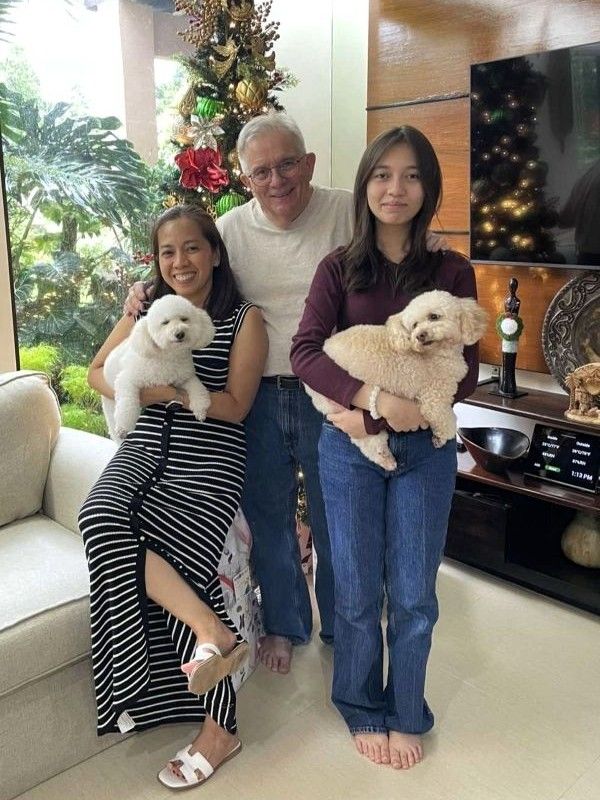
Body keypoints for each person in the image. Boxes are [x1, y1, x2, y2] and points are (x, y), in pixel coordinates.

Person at [125, 112, 444, 675]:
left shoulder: (351, 210)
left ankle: (347, 628)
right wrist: (140, 294)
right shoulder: (232, 230)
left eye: (287, 164)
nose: (276, 180)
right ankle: (286, 624)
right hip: (257, 392)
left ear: (309, 163)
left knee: (336, 519)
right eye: (261, 172)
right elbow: (186, 270)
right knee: (269, 514)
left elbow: (408, 253)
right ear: (245, 179)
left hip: (335, 391)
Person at [290, 126, 480, 770]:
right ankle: (359, 704)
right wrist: (370, 404)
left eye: (411, 176)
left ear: (429, 188)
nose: (395, 189)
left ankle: (406, 711)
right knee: (354, 589)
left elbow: (468, 369)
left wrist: (413, 409)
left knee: (413, 592)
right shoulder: (338, 266)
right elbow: (306, 352)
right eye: (382, 175)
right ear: (365, 183)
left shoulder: (452, 270)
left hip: (426, 450)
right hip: (349, 447)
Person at [78, 205, 268, 789]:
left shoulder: (244, 319)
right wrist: (138, 381)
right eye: (167, 251)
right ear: (156, 261)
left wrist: (163, 393)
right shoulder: (145, 311)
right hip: (142, 450)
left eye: (191, 248)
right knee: (97, 516)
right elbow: (95, 373)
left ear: (214, 252)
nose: (179, 261)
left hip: (206, 459)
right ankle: (213, 632)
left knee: (180, 550)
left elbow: (235, 404)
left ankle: (221, 732)